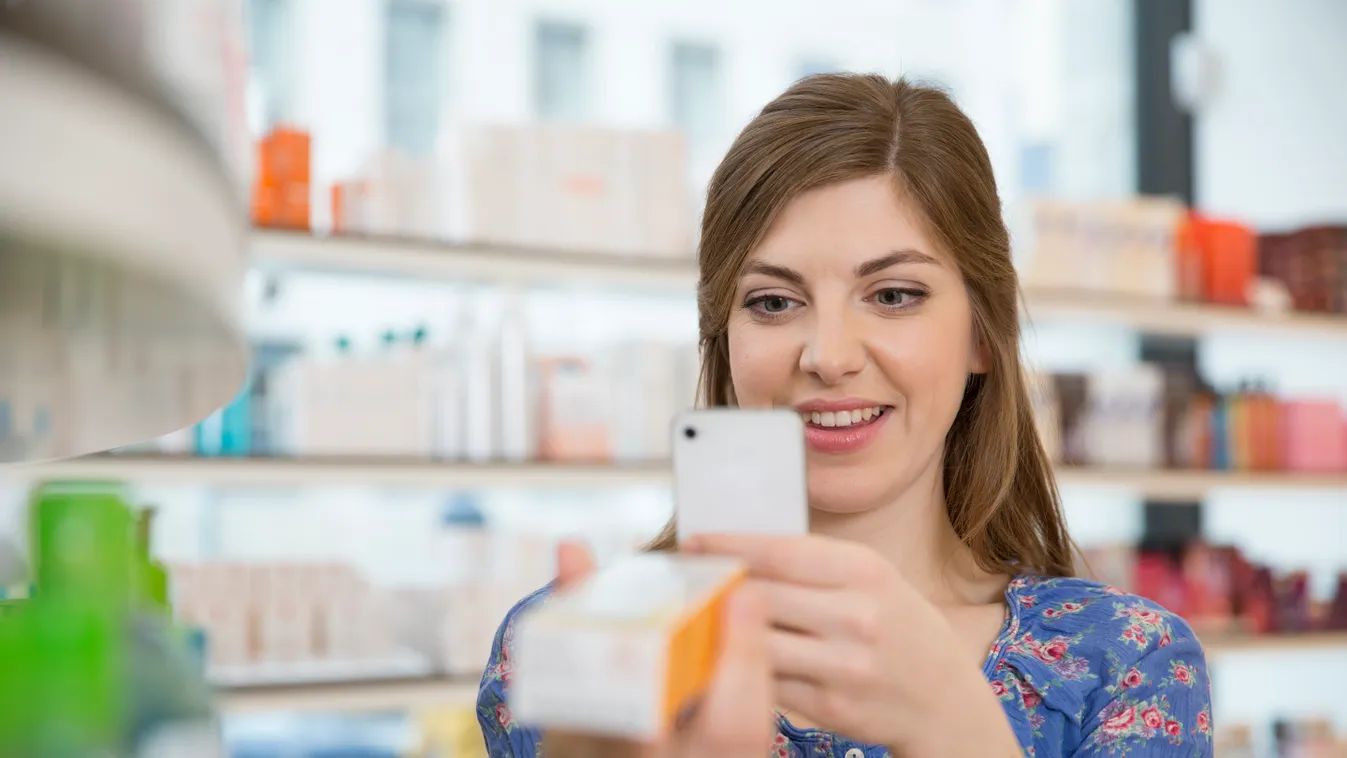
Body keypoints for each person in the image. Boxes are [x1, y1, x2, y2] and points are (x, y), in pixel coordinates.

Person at [478, 73, 1213, 757]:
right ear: (723, 339)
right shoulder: (577, 646)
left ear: (982, 335)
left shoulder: (1124, 664)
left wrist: (952, 724)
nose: (827, 356)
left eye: (893, 295)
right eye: (773, 302)